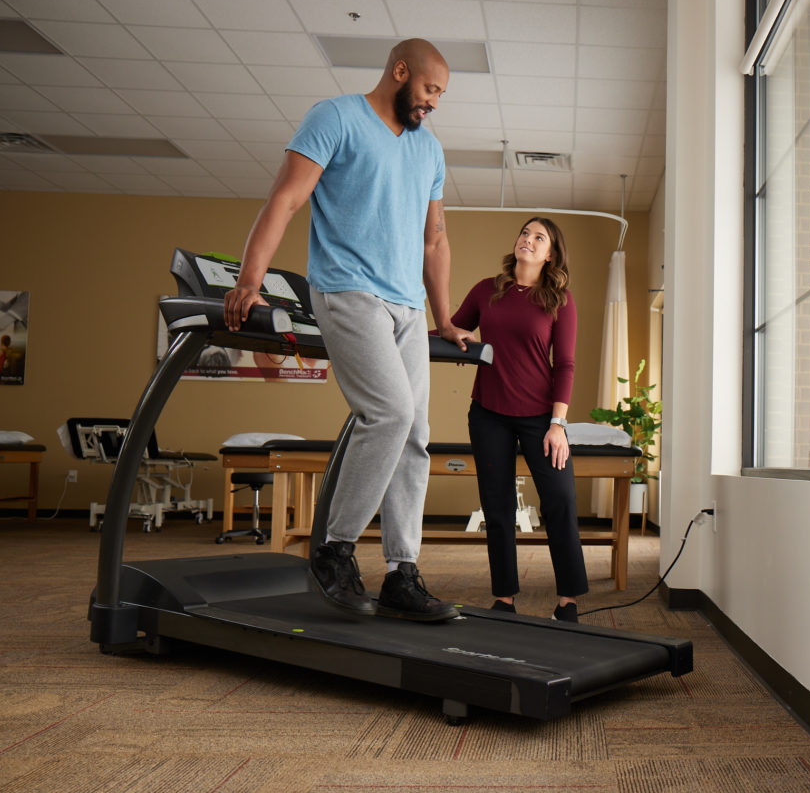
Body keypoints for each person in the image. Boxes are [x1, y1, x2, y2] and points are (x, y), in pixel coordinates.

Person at [223, 38, 475, 622]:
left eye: (442, 95)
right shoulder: (334, 118)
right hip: (347, 291)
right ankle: (333, 552)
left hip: (408, 307)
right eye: (431, 89)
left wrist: (443, 318)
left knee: (415, 434)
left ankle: (401, 573)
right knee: (388, 414)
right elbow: (285, 200)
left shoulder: (429, 150)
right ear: (400, 71)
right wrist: (248, 280)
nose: (435, 102)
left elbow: (434, 239)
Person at [451, 217, 588, 622]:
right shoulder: (486, 290)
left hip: (540, 418)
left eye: (539, 237)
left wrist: (558, 424)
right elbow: (455, 329)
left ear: (550, 254)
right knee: (497, 506)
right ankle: (504, 597)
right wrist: (449, 336)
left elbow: (565, 365)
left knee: (560, 501)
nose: (528, 240)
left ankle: (568, 599)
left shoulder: (560, 300)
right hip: (488, 414)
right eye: (525, 233)